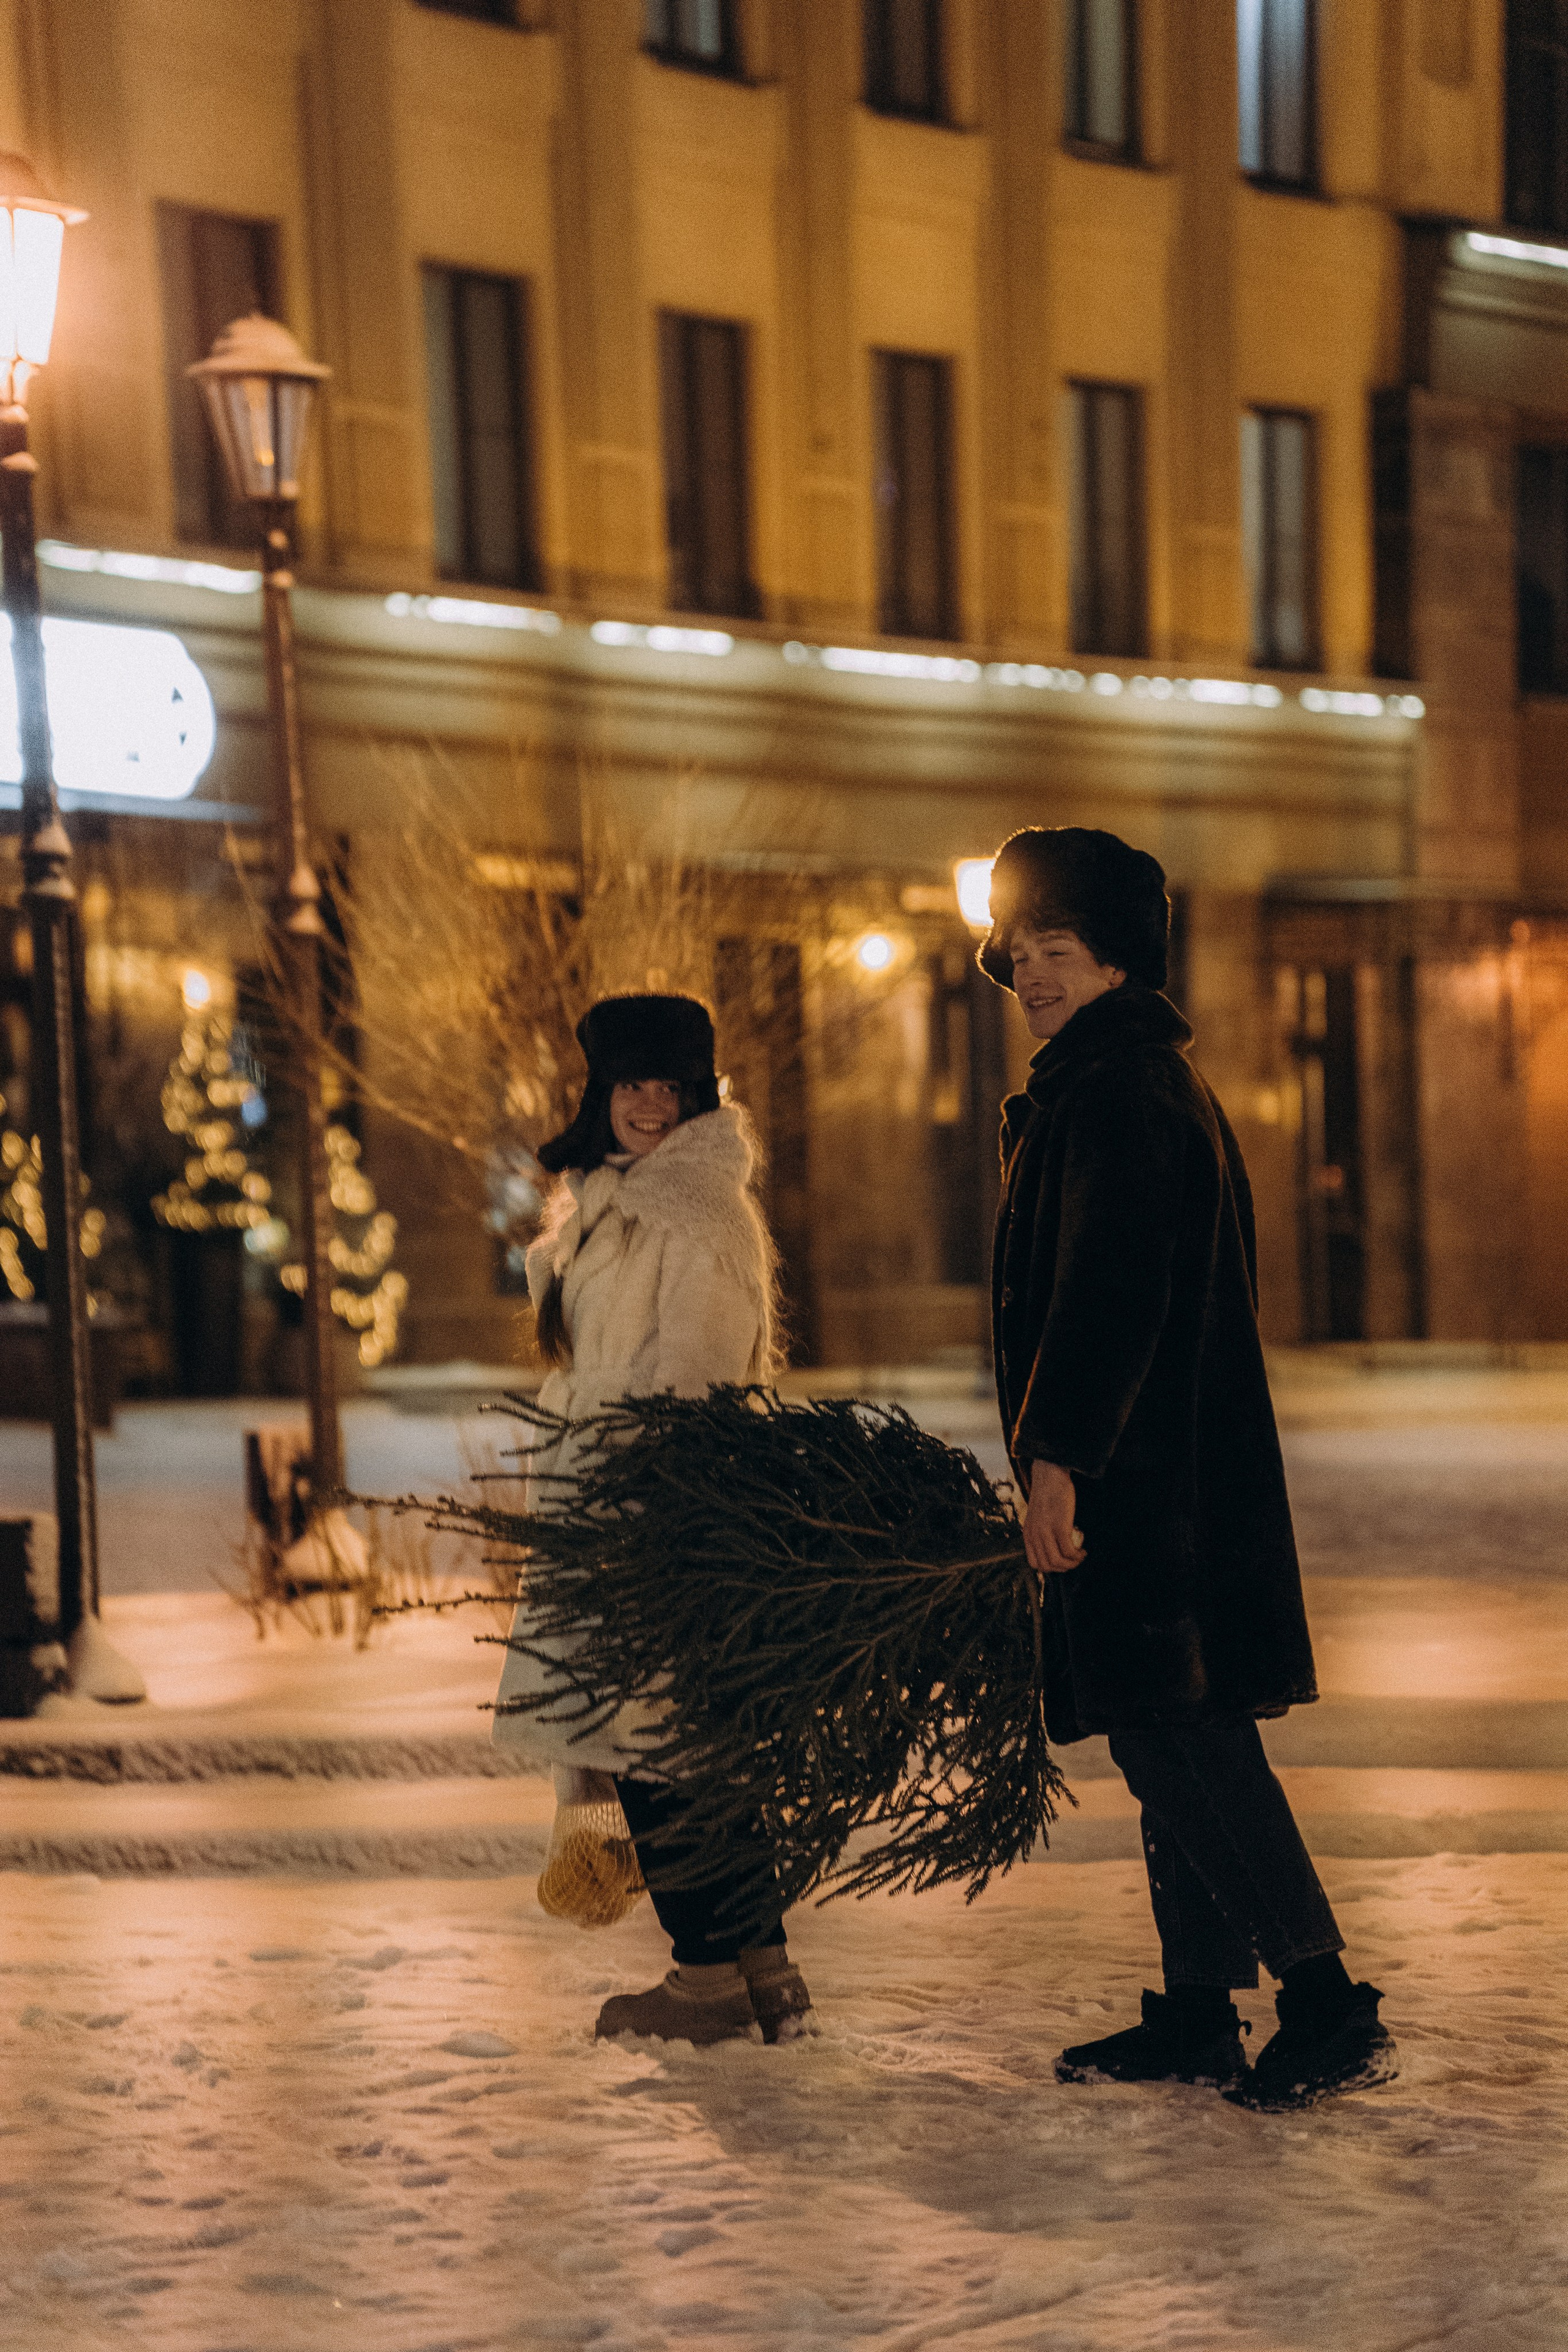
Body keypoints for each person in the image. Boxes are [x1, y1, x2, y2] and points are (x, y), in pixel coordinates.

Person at [980, 827, 1398, 2110]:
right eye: (1021, 953)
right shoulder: (1113, 1082)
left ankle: (1322, 2002)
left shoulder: (1121, 1095)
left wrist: (1056, 1464)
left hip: (1149, 1493)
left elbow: (1109, 1302)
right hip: (1166, 1485)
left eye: (1059, 951)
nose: (1034, 975)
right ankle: (1198, 2009)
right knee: (1172, 1735)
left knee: (1181, 1745)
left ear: (1114, 962)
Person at [493, 991, 814, 2048]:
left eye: (667, 1087)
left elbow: (692, 1381)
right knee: (693, 1747)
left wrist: (632, 1511)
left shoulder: (697, 1212)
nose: (645, 1103)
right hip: (612, 1499)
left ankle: (706, 1979)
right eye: (629, 1083)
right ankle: (762, 1968)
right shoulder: (615, 1200)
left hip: (655, 1512)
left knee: (656, 1748)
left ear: (695, 1096)